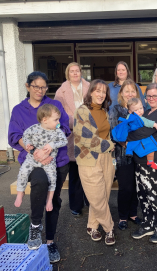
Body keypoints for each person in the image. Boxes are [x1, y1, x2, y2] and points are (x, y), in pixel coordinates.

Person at [8, 71, 70, 263]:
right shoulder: (19, 110)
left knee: (54, 201)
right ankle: (35, 226)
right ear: (28, 86)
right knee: (39, 185)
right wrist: (34, 150)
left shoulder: (54, 105)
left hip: (57, 161)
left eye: (43, 87)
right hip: (33, 160)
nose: (40, 90)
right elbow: (14, 135)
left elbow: (65, 127)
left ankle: (50, 241)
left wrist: (49, 146)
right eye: (36, 86)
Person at [127, 83, 157, 243]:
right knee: (143, 195)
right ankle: (148, 225)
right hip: (141, 161)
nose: (151, 98)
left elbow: (142, 132)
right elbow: (135, 129)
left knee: (156, 195)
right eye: (149, 96)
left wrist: (126, 134)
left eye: (155, 95)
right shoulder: (146, 111)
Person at [73, 79, 116, 245]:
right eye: (97, 91)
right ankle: (109, 228)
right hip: (88, 159)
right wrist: (110, 145)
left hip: (106, 159)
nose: (100, 94)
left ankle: (92, 225)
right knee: (97, 197)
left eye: (104, 92)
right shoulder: (82, 111)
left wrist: (110, 152)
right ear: (90, 92)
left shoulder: (104, 111)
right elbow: (86, 138)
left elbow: (106, 134)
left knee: (102, 195)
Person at [15, 104, 68, 224]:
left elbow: (64, 141)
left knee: (52, 179)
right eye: (56, 120)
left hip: (49, 162)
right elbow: (26, 136)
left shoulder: (57, 131)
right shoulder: (34, 128)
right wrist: (28, 144)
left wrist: (52, 145)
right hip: (32, 159)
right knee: (23, 172)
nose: (58, 122)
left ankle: (49, 200)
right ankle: (20, 192)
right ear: (45, 120)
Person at [54, 62, 90, 217]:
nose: (75, 73)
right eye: (72, 71)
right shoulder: (61, 92)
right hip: (71, 135)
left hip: (88, 132)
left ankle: (91, 201)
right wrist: (73, 121)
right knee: (75, 172)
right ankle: (76, 205)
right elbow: (58, 113)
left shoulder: (89, 87)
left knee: (89, 171)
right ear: (67, 74)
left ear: (81, 72)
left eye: (77, 71)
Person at [109, 80, 142, 231]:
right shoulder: (116, 110)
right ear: (121, 93)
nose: (130, 94)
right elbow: (114, 132)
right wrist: (127, 143)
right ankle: (122, 216)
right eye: (127, 91)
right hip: (123, 155)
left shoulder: (140, 109)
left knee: (135, 186)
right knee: (125, 187)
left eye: (133, 91)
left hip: (139, 154)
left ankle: (133, 214)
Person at [111, 98, 157, 170]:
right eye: (136, 110)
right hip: (138, 136)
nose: (139, 111)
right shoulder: (138, 118)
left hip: (131, 137)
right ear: (130, 111)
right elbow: (146, 122)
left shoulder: (128, 117)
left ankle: (129, 152)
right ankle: (150, 161)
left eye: (140, 108)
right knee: (151, 148)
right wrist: (155, 125)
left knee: (131, 144)